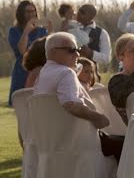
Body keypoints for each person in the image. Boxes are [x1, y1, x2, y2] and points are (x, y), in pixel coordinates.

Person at [33, 32, 123, 160]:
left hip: (52, 144)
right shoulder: (66, 73)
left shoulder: (43, 74)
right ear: (53, 52)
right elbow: (71, 105)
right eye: (71, 50)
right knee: (127, 145)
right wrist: (98, 117)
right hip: (79, 143)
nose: (78, 54)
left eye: (78, 49)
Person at [8, 0, 49, 104]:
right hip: (22, 71)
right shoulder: (14, 31)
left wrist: (51, 32)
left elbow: (47, 51)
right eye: (28, 11)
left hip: (39, 72)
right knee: (22, 106)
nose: (31, 14)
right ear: (21, 13)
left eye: (33, 11)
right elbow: (22, 51)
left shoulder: (42, 31)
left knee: (40, 105)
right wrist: (26, 31)